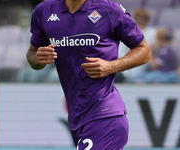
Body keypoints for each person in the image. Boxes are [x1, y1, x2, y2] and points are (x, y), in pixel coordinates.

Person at [26, 0, 151, 149]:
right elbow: (32, 55)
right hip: (77, 117)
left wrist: (111, 66)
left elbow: (144, 51)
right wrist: (38, 58)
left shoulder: (110, 10)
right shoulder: (44, 11)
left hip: (105, 115)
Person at [118, 8, 157, 82]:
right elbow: (119, 52)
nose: (140, 24)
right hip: (122, 70)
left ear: (147, 21)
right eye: (138, 21)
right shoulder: (126, 31)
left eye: (143, 21)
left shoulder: (152, 34)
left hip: (140, 72)